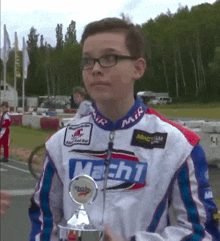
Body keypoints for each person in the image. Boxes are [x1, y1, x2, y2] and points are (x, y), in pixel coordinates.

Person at [29, 18, 220, 241]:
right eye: (88, 61)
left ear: (138, 68)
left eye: (109, 58)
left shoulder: (178, 145)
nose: (96, 69)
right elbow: (44, 220)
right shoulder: (60, 143)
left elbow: (202, 231)